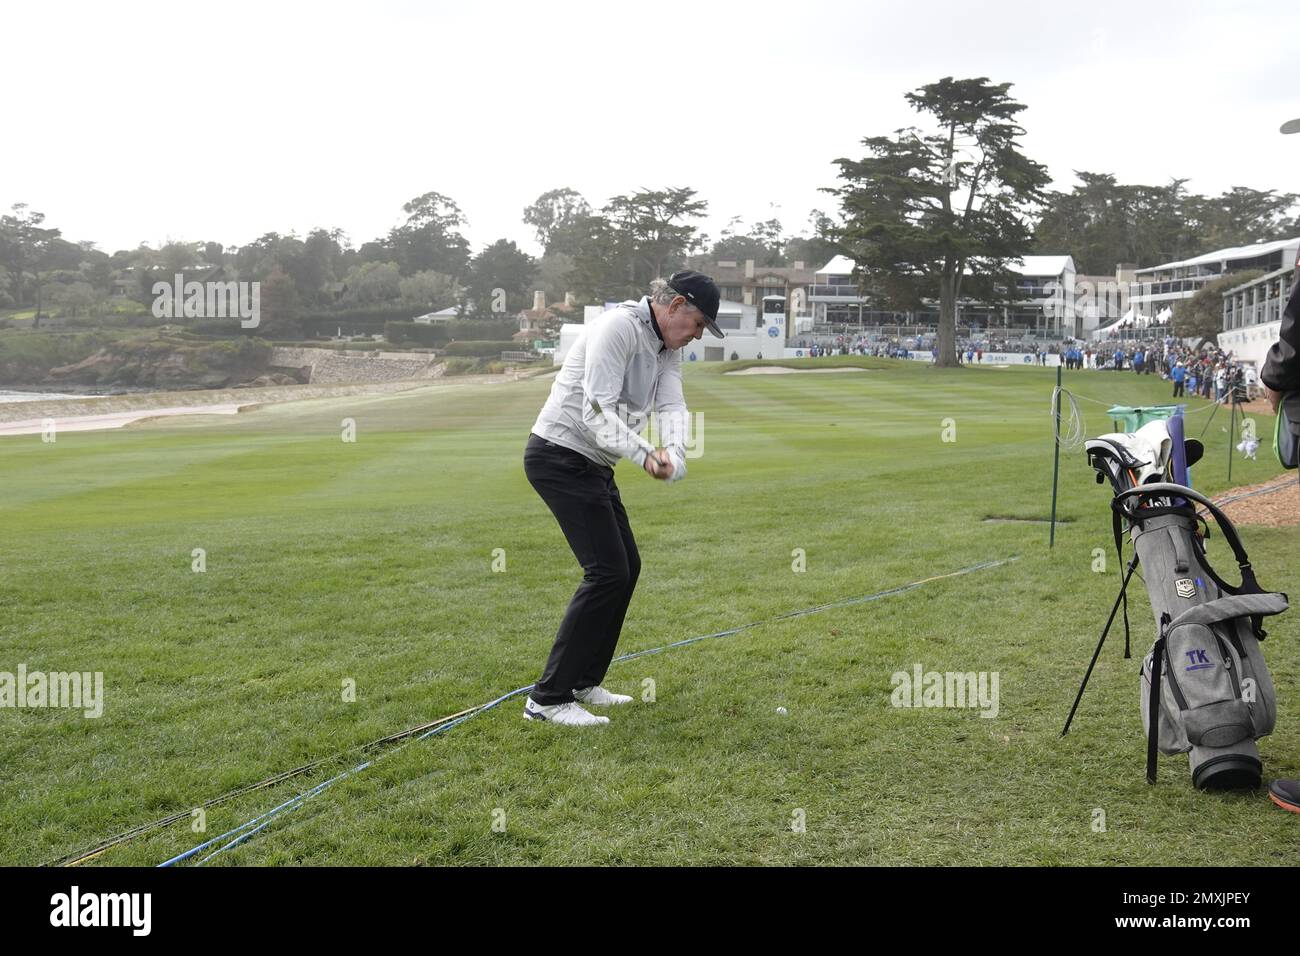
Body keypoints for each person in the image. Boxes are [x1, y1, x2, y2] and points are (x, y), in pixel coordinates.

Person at [522, 271, 721, 726]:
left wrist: (675, 453)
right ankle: (547, 700)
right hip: (559, 454)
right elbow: (596, 411)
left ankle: (583, 682)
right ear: (674, 307)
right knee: (606, 571)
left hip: (594, 464)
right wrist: (647, 455)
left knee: (626, 568)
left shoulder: (664, 347)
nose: (695, 336)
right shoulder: (618, 327)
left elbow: (672, 406)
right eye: (696, 324)